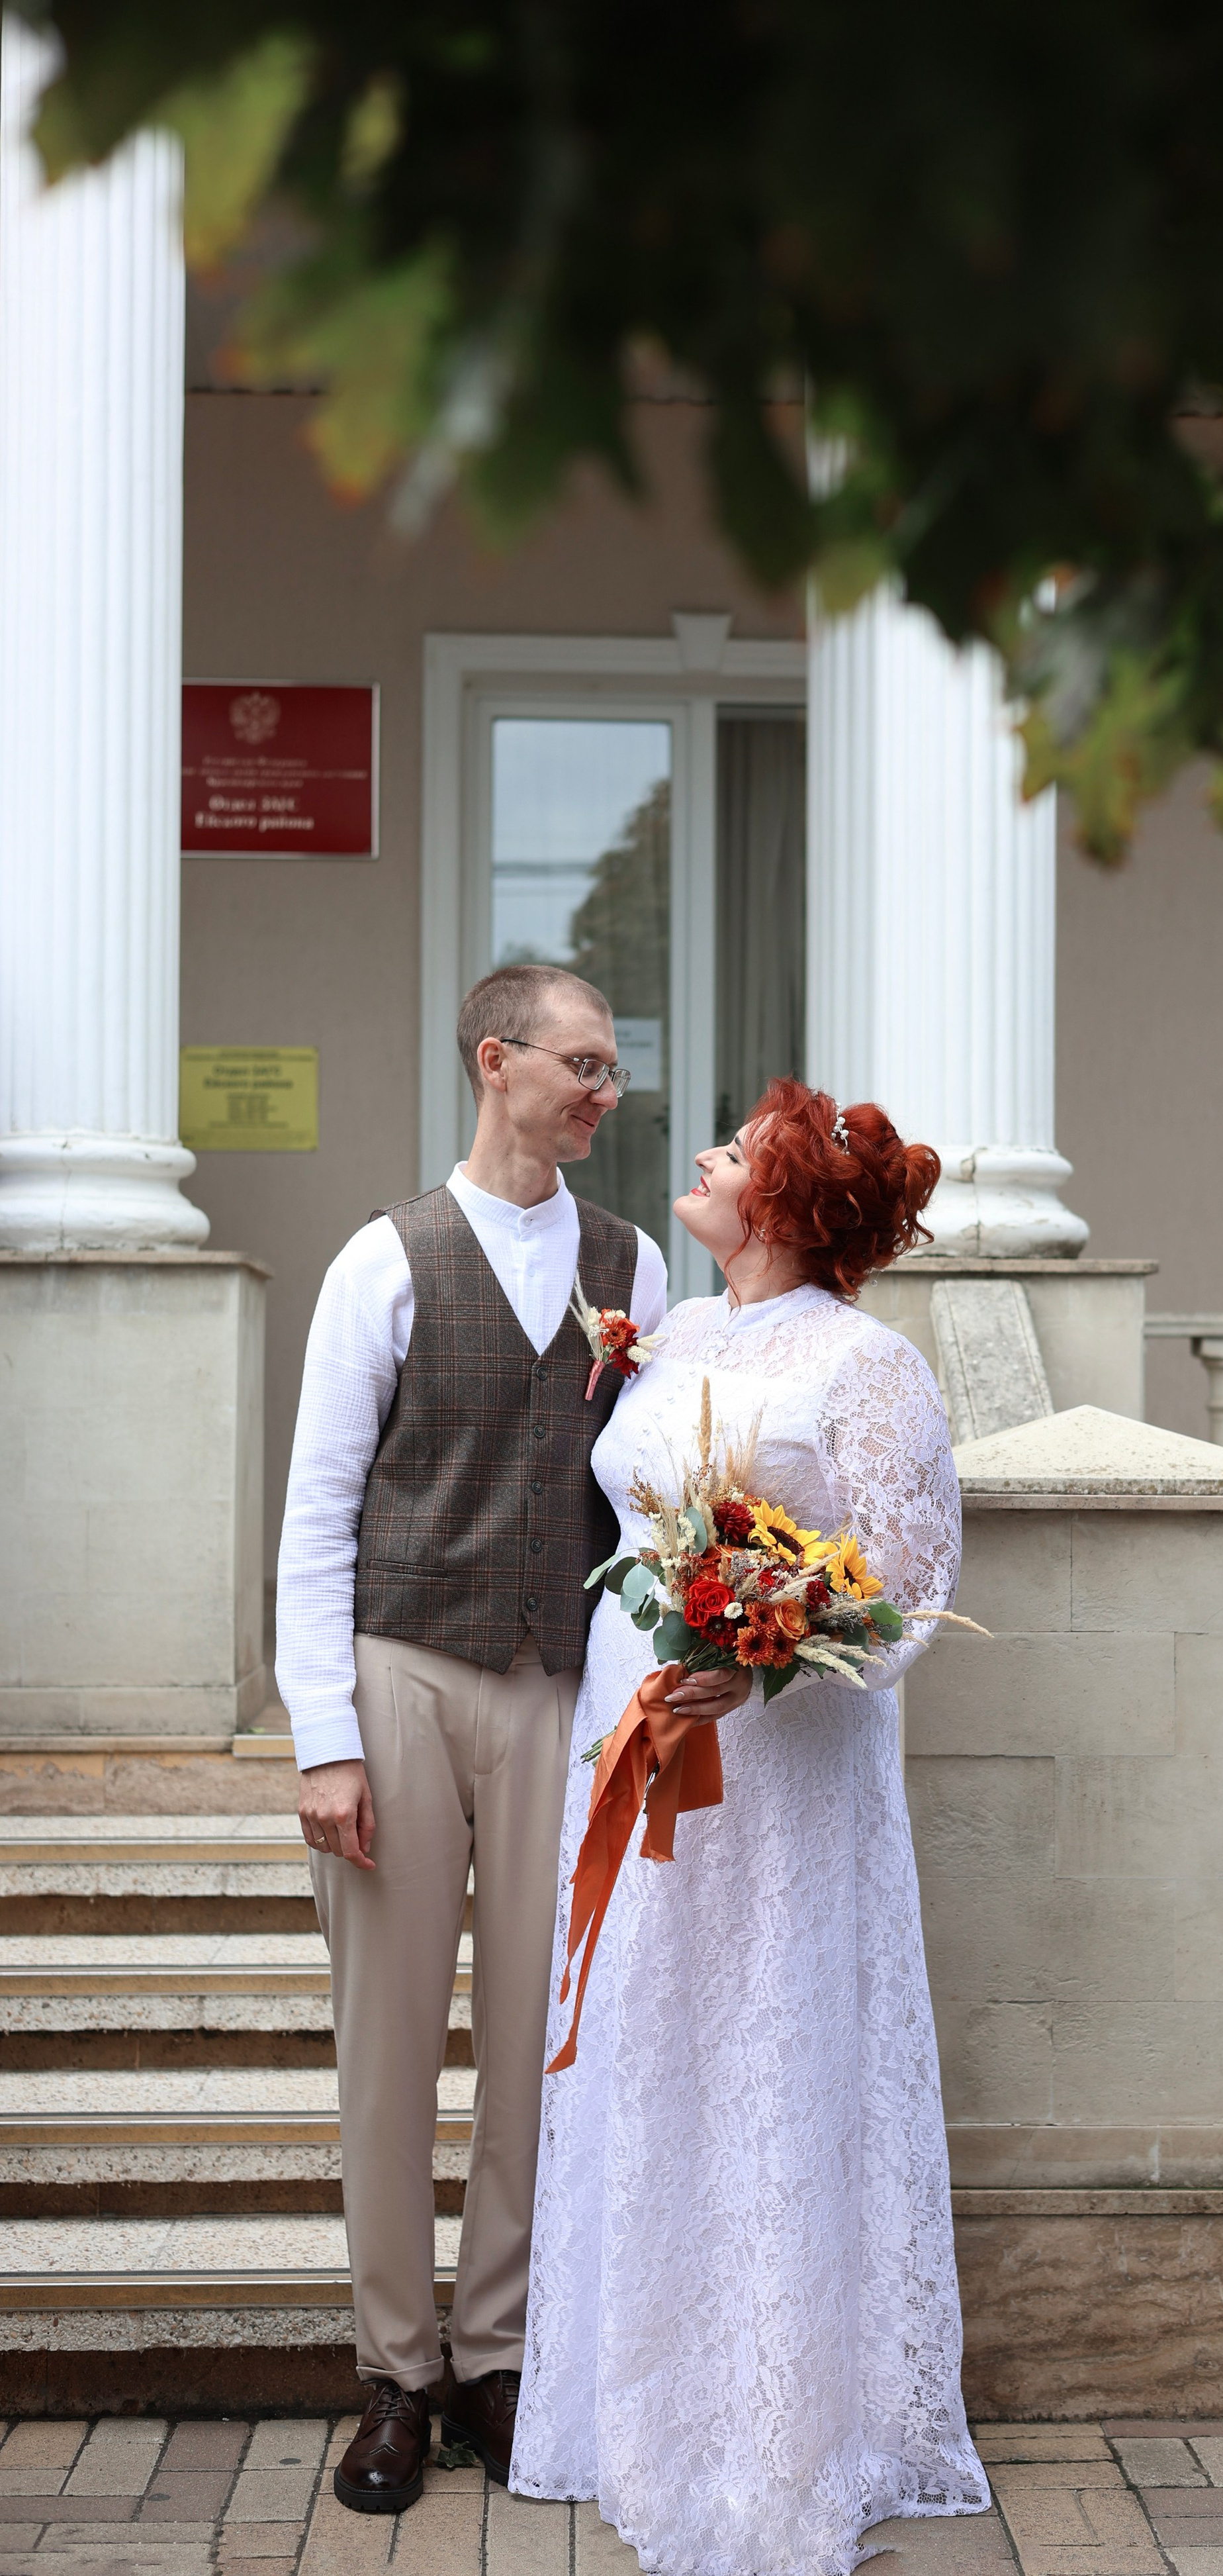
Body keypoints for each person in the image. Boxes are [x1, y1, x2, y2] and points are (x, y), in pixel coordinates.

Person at [510, 1076, 991, 2575]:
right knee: (654, 2031)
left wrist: (771, 1651)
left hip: (781, 1769)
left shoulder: (868, 1362)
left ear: (782, 1202)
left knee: (771, 2043)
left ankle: (785, 2421)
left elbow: (906, 1587)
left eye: (732, 1150)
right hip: (636, 1724)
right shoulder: (681, 1330)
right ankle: (635, 2389)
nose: (702, 1158)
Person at [275, 963, 668, 2514]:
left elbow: (658, 1482)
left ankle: (501, 2356)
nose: (605, 1089)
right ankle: (394, 2367)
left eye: (612, 1067)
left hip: (562, 1683)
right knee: (387, 2046)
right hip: (398, 1675)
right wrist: (324, 1737)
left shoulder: (635, 1262)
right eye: (581, 1062)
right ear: (496, 1063)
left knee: (533, 2033)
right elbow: (316, 1507)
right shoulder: (380, 1259)